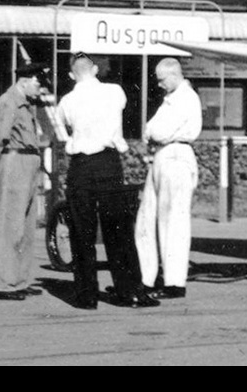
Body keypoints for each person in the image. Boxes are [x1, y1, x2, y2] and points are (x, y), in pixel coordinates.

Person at [53, 53, 157, 310]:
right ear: (96, 69)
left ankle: (86, 295)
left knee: (82, 232)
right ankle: (130, 291)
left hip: (81, 167)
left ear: (70, 75)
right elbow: (121, 108)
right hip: (109, 164)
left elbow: (61, 128)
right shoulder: (114, 92)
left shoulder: (66, 101)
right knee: (119, 230)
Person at [135, 58, 202, 299]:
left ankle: (174, 282)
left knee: (172, 220)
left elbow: (158, 131)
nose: (160, 85)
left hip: (176, 156)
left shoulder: (185, 98)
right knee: (148, 218)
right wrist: (151, 133)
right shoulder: (171, 100)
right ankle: (147, 277)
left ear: (174, 75)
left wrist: (151, 133)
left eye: (162, 80)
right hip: (163, 157)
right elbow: (151, 130)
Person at [0, 65, 52, 301]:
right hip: (14, 160)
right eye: (37, 83)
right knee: (10, 224)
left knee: (25, 225)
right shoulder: (9, 102)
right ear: (24, 81)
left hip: (28, 161)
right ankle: (4, 283)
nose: (40, 89)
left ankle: (19, 279)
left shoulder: (26, 103)